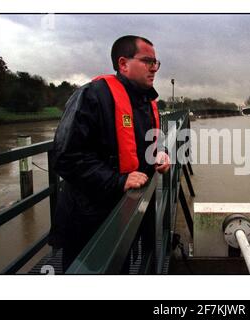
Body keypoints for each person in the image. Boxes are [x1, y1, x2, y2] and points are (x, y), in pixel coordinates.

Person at [50, 35, 170, 272]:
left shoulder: (146, 102)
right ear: (123, 63)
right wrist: (118, 180)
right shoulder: (92, 95)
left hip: (126, 215)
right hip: (89, 222)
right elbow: (65, 156)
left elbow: (144, 146)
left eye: (156, 62)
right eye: (148, 61)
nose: (154, 68)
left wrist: (160, 154)